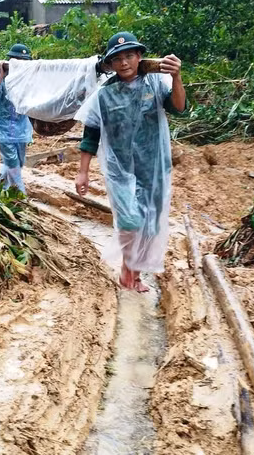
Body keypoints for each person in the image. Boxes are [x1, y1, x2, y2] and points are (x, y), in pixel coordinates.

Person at [74, 32, 185, 292]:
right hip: (120, 170)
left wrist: (176, 76)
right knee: (129, 222)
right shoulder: (104, 95)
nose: (124, 63)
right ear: (110, 63)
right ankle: (128, 268)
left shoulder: (155, 83)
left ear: (139, 57)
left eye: (129, 56)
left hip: (152, 167)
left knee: (150, 224)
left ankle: (134, 274)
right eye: (117, 58)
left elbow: (178, 108)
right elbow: (91, 134)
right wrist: (83, 172)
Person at [0, 43, 33, 192]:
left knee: (19, 162)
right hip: (1, 126)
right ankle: (20, 194)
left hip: (21, 126)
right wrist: (0, 78)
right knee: (11, 162)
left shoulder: (27, 76)